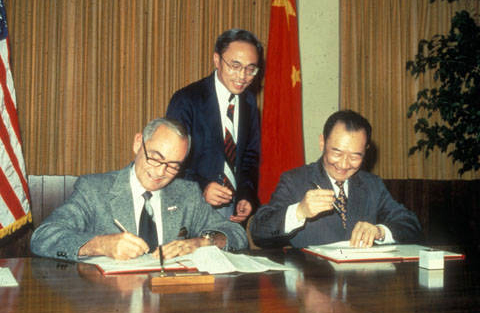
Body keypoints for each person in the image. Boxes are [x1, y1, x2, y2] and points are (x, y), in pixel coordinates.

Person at [30, 118, 248, 261]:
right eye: (155, 157)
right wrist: (99, 244)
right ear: (137, 143)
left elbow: (237, 235)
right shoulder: (95, 189)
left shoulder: (186, 194)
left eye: (173, 165)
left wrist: (203, 242)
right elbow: (43, 236)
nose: (161, 172)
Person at [250, 110, 422, 248]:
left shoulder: (372, 185)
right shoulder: (295, 181)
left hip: (360, 285)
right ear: (322, 143)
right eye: (337, 153)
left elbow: (411, 225)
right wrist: (299, 211)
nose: (344, 164)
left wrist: (379, 231)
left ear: (365, 151)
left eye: (355, 156)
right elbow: (259, 232)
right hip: (311, 284)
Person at [166, 28, 262, 224]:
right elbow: (171, 162)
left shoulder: (249, 103)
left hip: (232, 211)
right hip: (191, 208)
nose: (242, 76)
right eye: (235, 66)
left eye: (250, 69)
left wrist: (246, 194)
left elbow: (249, 157)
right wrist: (202, 188)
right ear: (217, 60)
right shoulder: (187, 100)